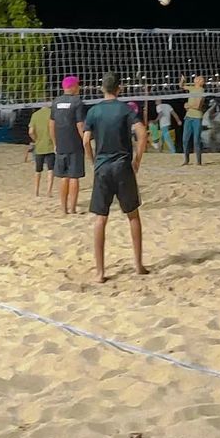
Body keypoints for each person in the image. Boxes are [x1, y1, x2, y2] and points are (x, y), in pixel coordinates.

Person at [83, 71, 147, 282]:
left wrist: (93, 161)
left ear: (102, 88)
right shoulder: (125, 109)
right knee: (133, 215)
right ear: (119, 89)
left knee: (101, 219)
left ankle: (100, 272)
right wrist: (137, 160)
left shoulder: (93, 111)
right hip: (122, 166)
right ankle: (138, 265)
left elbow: (85, 141)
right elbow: (142, 133)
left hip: (102, 167)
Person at [49, 75, 86, 214]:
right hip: (75, 145)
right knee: (74, 177)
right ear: (73, 86)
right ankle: (73, 209)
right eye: (78, 84)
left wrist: (55, 143)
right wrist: (86, 142)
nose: (80, 87)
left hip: (61, 145)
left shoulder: (55, 102)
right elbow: (80, 125)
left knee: (64, 177)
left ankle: (63, 209)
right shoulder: (77, 102)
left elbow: (51, 124)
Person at [28, 102, 56, 197]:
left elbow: (31, 132)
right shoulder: (53, 113)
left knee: (38, 170)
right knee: (50, 169)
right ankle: (49, 191)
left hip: (39, 146)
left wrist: (36, 139)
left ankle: (36, 191)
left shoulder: (35, 115)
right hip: (50, 145)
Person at [179, 74, 206, 165]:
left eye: (199, 78)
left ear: (200, 82)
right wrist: (182, 80)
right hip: (188, 117)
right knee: (185, 140)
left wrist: (188, 105)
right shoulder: (192, 88)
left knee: (196, 140)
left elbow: (198, 106)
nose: (196, 78)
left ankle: (199, 162)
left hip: (197, 118)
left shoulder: (201, 91)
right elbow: (181, 86)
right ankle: (186, 160)